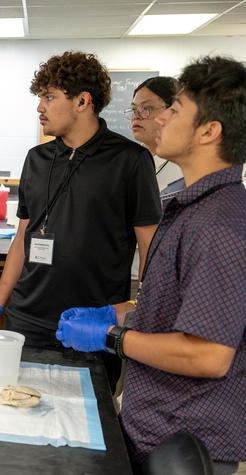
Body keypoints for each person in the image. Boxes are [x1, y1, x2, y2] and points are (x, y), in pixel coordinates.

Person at [57, 56, 246, 475]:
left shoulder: (219, 224)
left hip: (185, 443)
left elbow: (210, 355)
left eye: (174, 111)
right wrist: (118, 312)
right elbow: (177, 311)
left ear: (209, 131)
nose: (160, 120)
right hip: (155, 425)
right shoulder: (192, 208)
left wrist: (113, 337)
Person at [0, 51, 162, 390]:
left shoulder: (130, 160)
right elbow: (23, 239)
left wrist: (139, 308)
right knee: (15, 408)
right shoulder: (37, 159)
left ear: (82, 101)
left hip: (92, 322)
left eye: (49, 97)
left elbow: (150, 243)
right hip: (28, 317)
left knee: (88, 424)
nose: (39, 107)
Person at [127, 76, 183, 297]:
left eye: (147, 108)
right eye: (134, 109)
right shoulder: (130, 160)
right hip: (120, 273)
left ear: (173, 112)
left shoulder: (182, 167)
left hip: (154, 280)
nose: (136, 116)